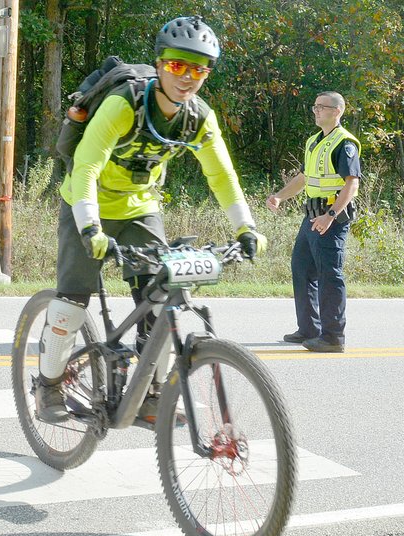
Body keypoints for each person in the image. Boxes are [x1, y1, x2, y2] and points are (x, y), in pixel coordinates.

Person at [35, 16, 267, 424]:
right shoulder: (123, 104)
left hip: (140, 208)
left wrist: (245, 226)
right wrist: (90, 226)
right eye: (178, 66)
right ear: (160, 64)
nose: (187, 77)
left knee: (161, 301)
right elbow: (87, 166)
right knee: (71, 305)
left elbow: (221, 175)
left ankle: (150, 393)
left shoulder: (197, 117)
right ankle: (48, 386)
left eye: (198, 69)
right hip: (86, 206)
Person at [266, 91, 361, 353]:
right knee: (302, 268)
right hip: (311, 216)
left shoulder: (345, 143)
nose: (316, 111)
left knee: (330, 275)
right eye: (315, 106)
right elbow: (303, 178)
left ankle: (332, 337)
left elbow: (352, 184)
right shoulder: (314, 141)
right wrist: (279, 197)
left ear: (338, 111)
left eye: (322, 107)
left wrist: (330, 216)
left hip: (331, 218)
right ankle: (309, 328)